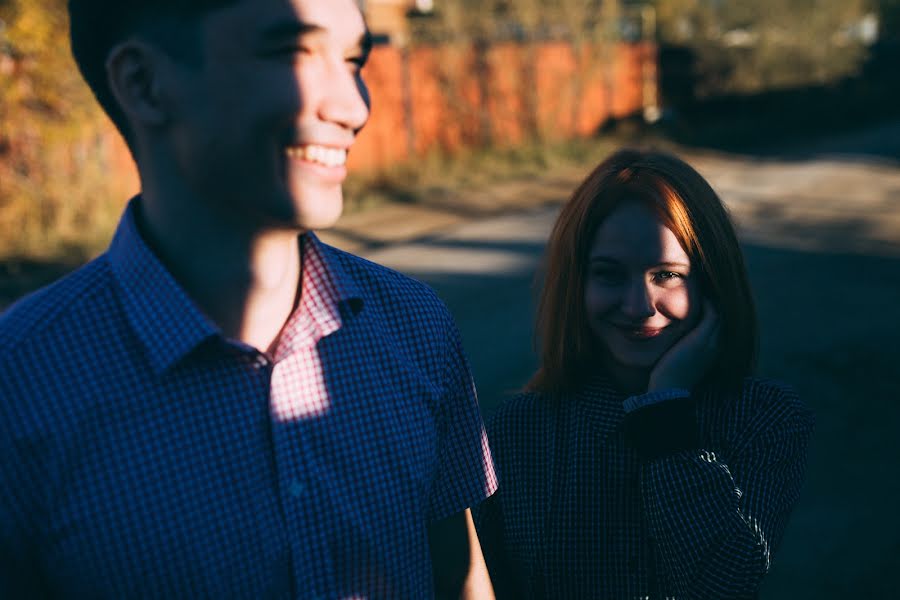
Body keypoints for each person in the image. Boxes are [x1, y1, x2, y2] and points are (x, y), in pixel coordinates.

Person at [0, 1, 497, 598]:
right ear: (145, 84)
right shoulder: (18, 388)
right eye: (293, 53)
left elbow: (459, 578)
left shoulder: (416, 326)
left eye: (353, 59)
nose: (354, 106)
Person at [474, 149, 814, 599]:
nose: (637, 306)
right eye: (609, 274)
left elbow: (724, 582)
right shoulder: (515, 431)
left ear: (711, 282)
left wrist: (665, 412)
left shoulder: (764, 419)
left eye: (667, 275)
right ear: (577, 284)